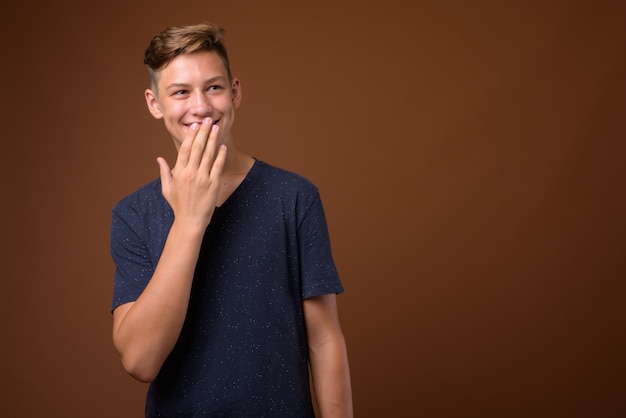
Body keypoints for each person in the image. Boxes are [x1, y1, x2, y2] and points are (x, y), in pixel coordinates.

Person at [110, 22, 353, 417]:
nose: (201, 106)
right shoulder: (133, 214)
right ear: (155, 104)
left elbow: (324, 340)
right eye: (180, 92)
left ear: (235, 92)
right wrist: (190, 219)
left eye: (214, 87)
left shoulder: (294, 197)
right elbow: (140, 360)